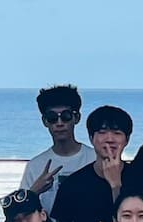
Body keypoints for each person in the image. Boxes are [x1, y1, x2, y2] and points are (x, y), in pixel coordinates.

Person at [52, 104, 134, 222]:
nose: (109, 139)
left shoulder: (140, 177)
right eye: (102, 132)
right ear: (91, 138)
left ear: (126, 140)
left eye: (117, 133)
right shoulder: (73, 183)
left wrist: (116, 186)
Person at [21, 83, 94, 212]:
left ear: (77, 118)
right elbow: (20, 212)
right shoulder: (35, 165)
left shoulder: (95, 159)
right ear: (45, 121)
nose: (59, 123)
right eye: (52, 118)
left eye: (66, 116)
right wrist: (34, 191)